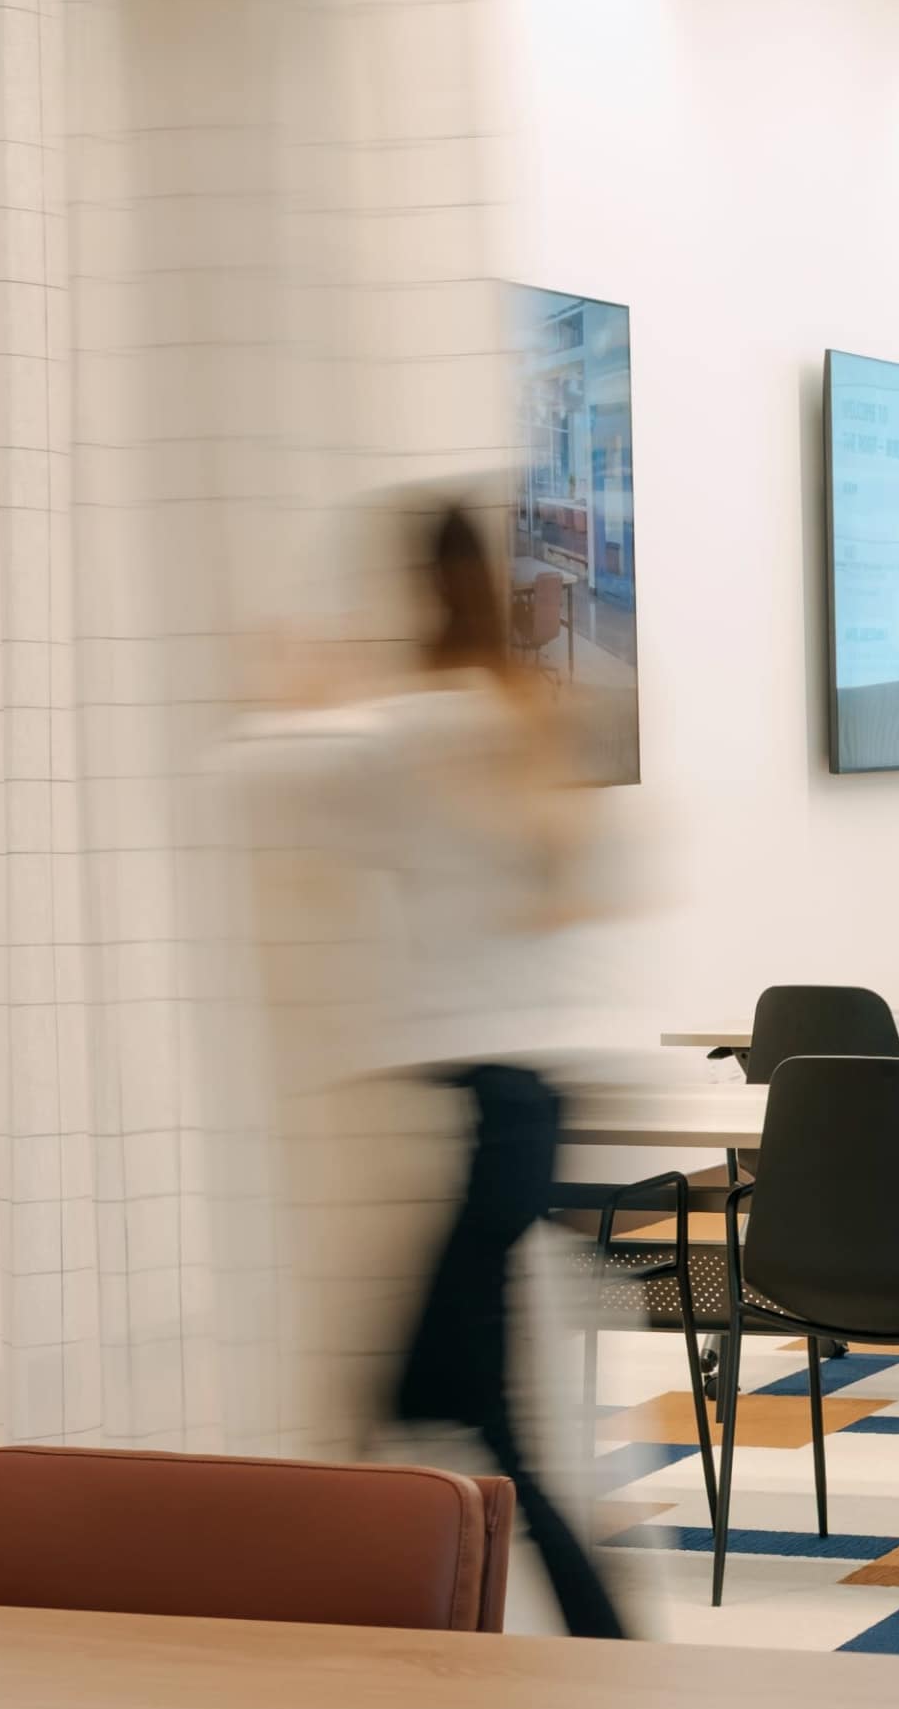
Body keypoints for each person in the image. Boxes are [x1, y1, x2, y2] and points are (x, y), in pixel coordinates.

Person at [233, 495, 629, 1637]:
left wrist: (295, 694)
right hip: (531, 1115)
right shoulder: (517, 717)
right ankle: (588, 1644)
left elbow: (258, 773)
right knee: (473, 1418)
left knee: (408, 1407)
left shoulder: (422, 726)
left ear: (415, 593)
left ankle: (370, 1645)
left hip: (480, 1120)